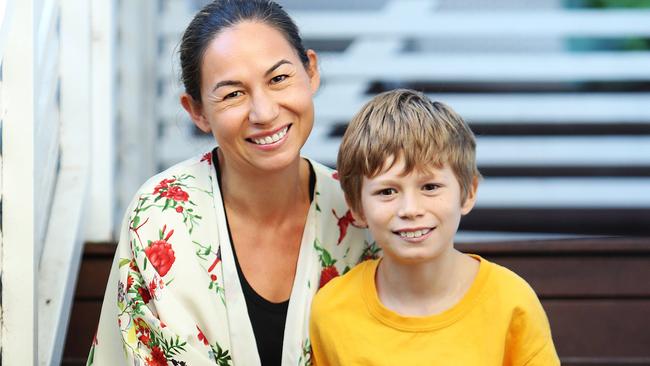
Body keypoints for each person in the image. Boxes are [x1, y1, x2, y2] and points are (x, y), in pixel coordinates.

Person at [88, 1, 375, 365]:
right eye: (233, 94)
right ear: (197, 112)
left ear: (311, 71)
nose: (264, 112)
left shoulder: (361, 209)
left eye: (278, 79)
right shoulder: (160, 217)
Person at [309, 89, 560, 365]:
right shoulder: (332, 309)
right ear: (356, 207)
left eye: (430, 187)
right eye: (387, 192)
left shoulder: (511, 301)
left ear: (468, 192)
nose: (410, 210)